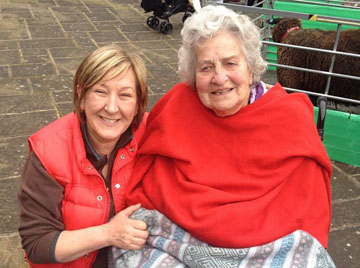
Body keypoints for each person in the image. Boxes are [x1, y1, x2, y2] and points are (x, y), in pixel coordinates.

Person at [126, 4, 333, 252]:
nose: (219, 77)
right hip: (176, 244)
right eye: (206, 67)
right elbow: (146, 178)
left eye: (230, 64)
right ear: (193, 75)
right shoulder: (175, 106)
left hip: (268, 251)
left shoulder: (289, 118)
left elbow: (308, 208)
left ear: (251, 68)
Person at [18, 44, 149, 268]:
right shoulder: (48, 151)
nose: (111, 107)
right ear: (81, 96)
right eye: (100, 91)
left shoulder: (151, 134)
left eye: (125, 95)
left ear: (138, 104)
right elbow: (37, 244)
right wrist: (108, 234)